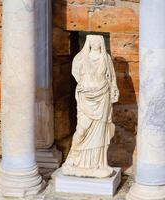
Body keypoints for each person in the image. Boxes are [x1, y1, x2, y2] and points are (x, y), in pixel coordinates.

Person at [62, 35, 119, 178]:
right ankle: (73, 158)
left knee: (100, 130)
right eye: (92, 41)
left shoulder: (105, 58)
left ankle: (98, 164)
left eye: (97, 41)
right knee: (81, 129)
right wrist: (84, 83)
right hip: (85, 97)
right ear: (88, 42)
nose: (95, 43)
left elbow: (111, 77)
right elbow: (75, 72)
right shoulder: (81, 57)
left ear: (101, 43)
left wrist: (114, 90)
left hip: (102, 98)